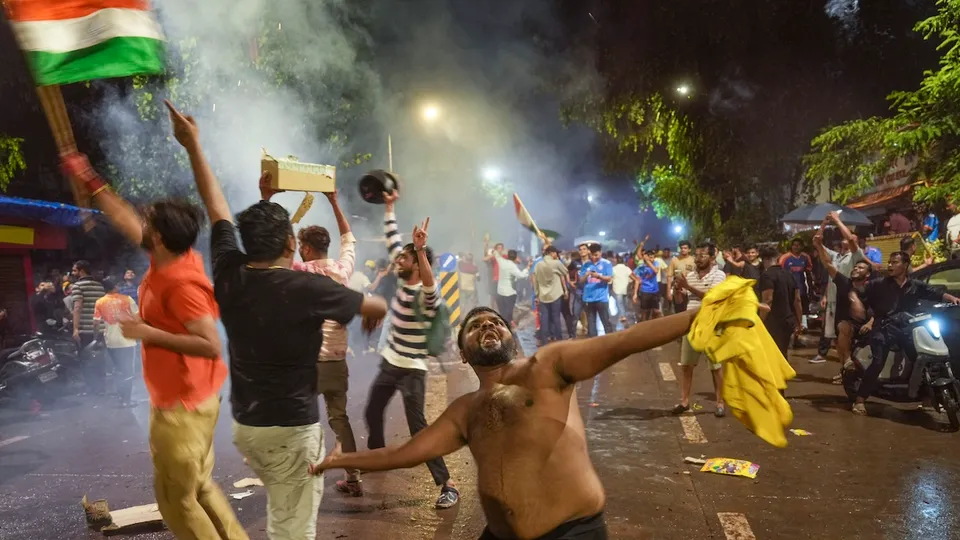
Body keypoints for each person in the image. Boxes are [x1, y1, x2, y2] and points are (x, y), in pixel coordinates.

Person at [154, 101, 384, 538]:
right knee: (292, 527)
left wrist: (193, 147)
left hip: (248, 428)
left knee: (284, 513)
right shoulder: (310, 287)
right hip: (293, 430)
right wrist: (376, 311)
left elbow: (218, 208)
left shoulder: (229, 271)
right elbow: (373, 306)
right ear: (291, 244)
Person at [309, 305, 699, 540]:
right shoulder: (465, 409)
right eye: (475, 327)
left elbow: (625, 341)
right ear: (463, 353)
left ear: (512, 335)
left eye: (494, 322)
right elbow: (407, 453)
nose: (487, 327)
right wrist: (339, 461)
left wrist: (700, 316)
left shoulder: (548, 366)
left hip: (572, 532)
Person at [60, 111, 248, 538]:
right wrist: (91, 180)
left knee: (176, 501)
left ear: (159, 237)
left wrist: (146, 332)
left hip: (182, 408)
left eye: (148, 222)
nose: (140, 225)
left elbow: (208, 343)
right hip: (195, 401)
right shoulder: (170, 258)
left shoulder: (180, 281)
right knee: (199, 487)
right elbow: (127, 220)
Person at [262, 181, 368, 497]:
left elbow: (270, 248)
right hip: (336, 362)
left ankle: (297, 480)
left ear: (306, 248)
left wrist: (266, 200)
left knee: (298, 423)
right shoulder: (341, 271)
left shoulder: (297, 271)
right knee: (340, 419)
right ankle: (353, 476)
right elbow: (349, 240)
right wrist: (334, 202)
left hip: (305, 364)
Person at [366, 188, 460, 510]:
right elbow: (393, 239)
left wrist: (419, 250)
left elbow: (432, 286)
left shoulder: (426, 295)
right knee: (371, 411)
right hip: (390, 363)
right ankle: (377, 460)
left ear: (419, 265)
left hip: (412, 370)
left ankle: (448, 484)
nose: (398, 261)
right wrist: (390, 207)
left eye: (405, 259)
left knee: (418, 429)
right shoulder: (405, 281)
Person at [853, 251, 960, 415]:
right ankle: (860, 400)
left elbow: (934, 292)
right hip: (883, 328)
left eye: (894, 262)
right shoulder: (879, 284)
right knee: (878, 362)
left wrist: (952, 298)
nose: (890, 265)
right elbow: (861, 291)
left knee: (922, 360)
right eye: (889, 262)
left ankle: (926, 399)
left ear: (905, 265)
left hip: (906, 328)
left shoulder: (914, 285)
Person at [672, 243, 727, 417]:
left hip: (711, 324)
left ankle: (719, 402)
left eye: (702, 255)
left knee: (715, 366)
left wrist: (687, 286)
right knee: (686, 365)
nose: (698, 259)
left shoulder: (719, 275)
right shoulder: (690, 275)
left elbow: (712, 298)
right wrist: (678, 289)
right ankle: (684, 401)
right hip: (691, 324)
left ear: (712, 257)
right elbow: (681, 300)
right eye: (696, 255)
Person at [811, 211, 868, 364]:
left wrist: (837, 220)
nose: (848, 236)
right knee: (835, 338)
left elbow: (850, 238)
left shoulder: (856, 255)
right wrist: (824, 223)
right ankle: (844, 369)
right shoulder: (836, 256)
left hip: (847, 300)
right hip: (832, 300)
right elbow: (817, 242)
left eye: (851, 235)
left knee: (846, 337)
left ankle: (850, 367)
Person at [93, 278, 139, 408]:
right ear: (115, 286)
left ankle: (120, 396)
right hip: (127, 340)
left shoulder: (100, 302)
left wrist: (96, 337)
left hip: (111, 341)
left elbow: (96, 323)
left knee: (118, 370)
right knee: (128, 371)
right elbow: (137, 317)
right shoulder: (127, 299)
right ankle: (126, 400)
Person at [757, 247, 802, 360]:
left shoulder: (766, 276)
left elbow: (768, 301)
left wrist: (760, 322)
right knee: (783, 353)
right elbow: (797, 299)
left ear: (765, 260)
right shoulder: (789, 274)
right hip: (788, 321)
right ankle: (784, 376)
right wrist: (799, 321)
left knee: (771, 355)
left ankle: (776, 377)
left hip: (773, 322)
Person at [70, 260, 106, 394]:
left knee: (86, 359)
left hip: (85, 329)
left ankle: (92, 389)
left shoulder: (77, 286)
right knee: (99, 358)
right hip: (101, 328)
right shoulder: (99, 286)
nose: (72, 273)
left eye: (74, 270)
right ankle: (101, 387)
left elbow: (77, 307)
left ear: (81, 271)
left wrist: (75, 329)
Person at [534, 245, 568, 343]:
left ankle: (544, 341)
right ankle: (559, 339)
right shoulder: (556, 263)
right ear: (552, 253)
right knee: (556, 317)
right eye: (556, 253)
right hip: (555, 295)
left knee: (544, 318)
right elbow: (565, 272)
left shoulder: (538, 265)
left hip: (543, 296)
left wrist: (537, 295)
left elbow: (536, 281)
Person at [579, 244, 614, 337]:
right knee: (591, 325)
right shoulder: (586, 265)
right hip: (588, 299)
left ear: (600, 253)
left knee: (606, 322)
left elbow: (609, 278)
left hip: (601, 298)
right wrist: (586, 275)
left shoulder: (606, 263)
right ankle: (594, 347)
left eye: (596, 255)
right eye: (592, 255)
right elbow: (581, 281)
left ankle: (611, 343)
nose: (594, 257)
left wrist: (599, 276)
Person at [778, 239, 813, 318]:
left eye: (798, 245)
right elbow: (779, 272)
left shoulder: (805, 257)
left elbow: (809, 274)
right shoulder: (785, 258)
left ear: (801, 246)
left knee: (803, 312)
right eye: (794, 245)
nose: (796, 247)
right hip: (789, 290)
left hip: (802, 290)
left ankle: (803, 327)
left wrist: (811, 289)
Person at [496, 249, 530, 329]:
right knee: (508, 311)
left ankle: (504, 323)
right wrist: (527, 268)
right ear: (516, 257)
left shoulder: (502, 261)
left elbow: (496, 253)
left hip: (500, 291)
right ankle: (506, 326)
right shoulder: (512, 266)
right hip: (509, 292)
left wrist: (504, 251)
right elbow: (521, 275)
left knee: (503, 310)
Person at [631, 250, 661, 322]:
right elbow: (634, 278)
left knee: (656, 311)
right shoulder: (640, 267)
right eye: (650, 257)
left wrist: (648, 261)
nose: (652, 259)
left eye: (653, 257)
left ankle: (653, 324)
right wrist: (635, 294)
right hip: (645, 291)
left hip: (655, 291)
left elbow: (656, 271)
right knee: (644, 311)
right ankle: (643, 326)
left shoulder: (656, 263)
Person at [666, 241, 694, 313]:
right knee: (679, 311)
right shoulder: (674, 260)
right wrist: (668, 292)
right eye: (681, 248)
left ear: (689, 250)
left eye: (685, 248)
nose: (683, 250)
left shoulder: (694, 260)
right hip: (678, 290)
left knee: (690, 310)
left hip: (691, 289)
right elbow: (669, 276)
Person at [611, 254, 633, 325]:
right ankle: (624, 315)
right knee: (624, 303)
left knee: (619, 304)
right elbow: (631, 279)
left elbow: (610, 280)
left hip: (617, 289)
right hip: (625, 289)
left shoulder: (613, 269)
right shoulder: (627, 268)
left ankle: (623, 316)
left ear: (616, 261)